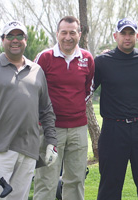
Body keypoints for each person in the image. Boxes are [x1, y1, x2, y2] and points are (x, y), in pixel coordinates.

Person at [0, 20, 58, 200]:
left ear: (26, 40)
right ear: (3, 40)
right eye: (10, 36)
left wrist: (51, 141)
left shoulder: (37, 70)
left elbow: (47, 110)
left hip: (29, 150)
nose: (15, 40)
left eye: (20, 36)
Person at [94, 18, 138, 200]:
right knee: (110, 185)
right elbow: (87, 88)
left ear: (136, 36)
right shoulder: (102, 61)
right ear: (115, 36)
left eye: (131, 33)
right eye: (123, 33)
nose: (127, 37)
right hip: (113, 129)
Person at [33, 16, 95, 200]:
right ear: (57, 34)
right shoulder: (45, 58)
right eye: (64, 32)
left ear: (79, 34)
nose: (68, 37)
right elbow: (34, 89)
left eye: (72, 33)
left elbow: (88, 89)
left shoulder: (87, 58)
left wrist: (73, 106)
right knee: (46, 180)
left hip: (78, 128)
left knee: (76, 180)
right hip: (50, 129)